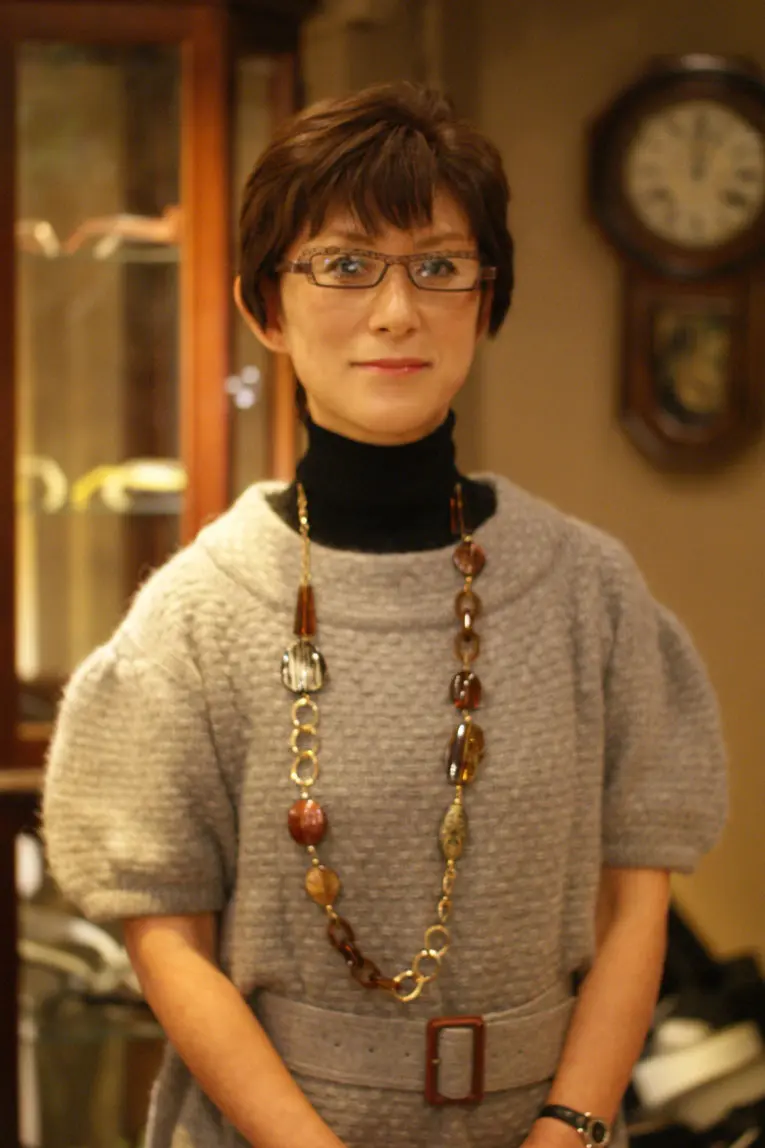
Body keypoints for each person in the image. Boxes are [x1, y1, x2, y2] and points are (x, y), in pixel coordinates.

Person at [43, 82, 727, 1148]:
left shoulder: (588, 589)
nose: (397, 310)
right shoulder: (194, 615)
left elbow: (634, 905)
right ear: (265, 307)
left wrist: (570, 1126)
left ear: (487, 302)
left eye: (439, 266)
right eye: (345, 264)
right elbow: (167, 939)